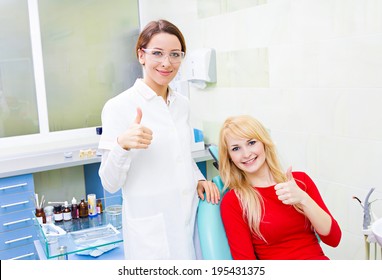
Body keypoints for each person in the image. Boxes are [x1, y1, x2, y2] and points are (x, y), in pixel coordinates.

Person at [98, 19, 220, 260]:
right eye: (157, 53)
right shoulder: (118, 107)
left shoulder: (182, 104)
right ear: (141, 55)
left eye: (175, 54)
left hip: (189, 217)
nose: (167, 63)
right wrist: (122, 145)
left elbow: (180, 156)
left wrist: (198, 178)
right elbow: (109, 183)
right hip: (151, 231)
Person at [218, 115, 341, 260]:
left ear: (264, 143)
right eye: (236, 148)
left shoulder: (300, 181)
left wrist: (303, 199)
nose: (246, 154)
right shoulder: (234, 201)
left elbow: (333, 239)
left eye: (251, 143)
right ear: (229, 156)